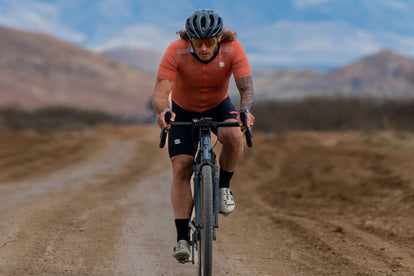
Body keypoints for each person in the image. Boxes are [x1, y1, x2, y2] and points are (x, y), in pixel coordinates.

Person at [152, 9, 255, 262]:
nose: (204, 48)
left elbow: (246, 87)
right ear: (191, 40)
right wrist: (164, 111)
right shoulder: (175, 49)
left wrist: (245, 110)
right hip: (183, 109)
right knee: (181, 167)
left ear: (219, 38)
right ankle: (182, 238)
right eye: (199, 43)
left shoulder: (234, 49)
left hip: (218, 105)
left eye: (210, 42)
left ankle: (222, 189)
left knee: (233, 136)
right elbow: (161, 91)